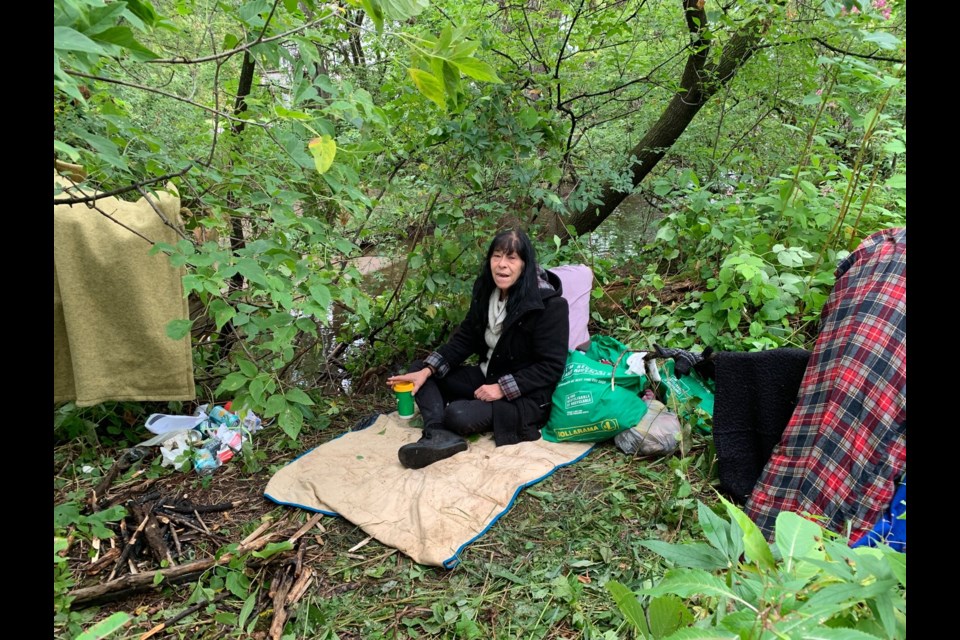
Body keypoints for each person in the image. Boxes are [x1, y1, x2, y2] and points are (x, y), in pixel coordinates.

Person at [386, 228, 570, 469]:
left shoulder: (549, 305)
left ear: (525, 264)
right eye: (497, 256)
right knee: (420, 370)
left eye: (511, 258)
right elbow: (466, 338)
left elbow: (551, 366)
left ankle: (444, 427)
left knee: (458, 415)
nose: (502, 265)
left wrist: (502, 389)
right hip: (488, 374)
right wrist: (429, 369)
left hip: (525, 395)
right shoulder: (487, 291)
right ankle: (437, 434)